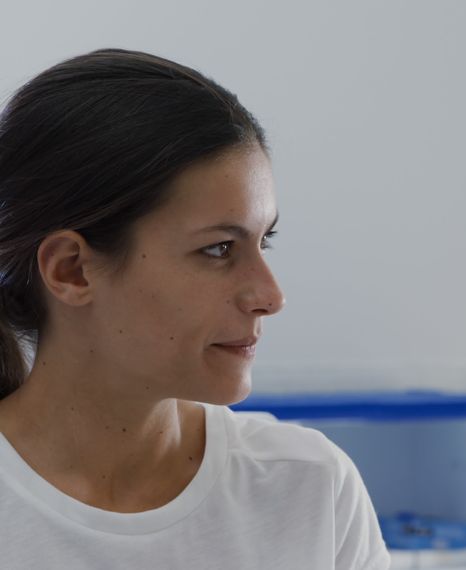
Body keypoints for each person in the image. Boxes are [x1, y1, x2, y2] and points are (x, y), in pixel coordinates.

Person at [0, 50, 390, 568]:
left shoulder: (311, 488)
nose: (270, 297)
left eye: (263, 242)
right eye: (218, 249)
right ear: (71, 269)